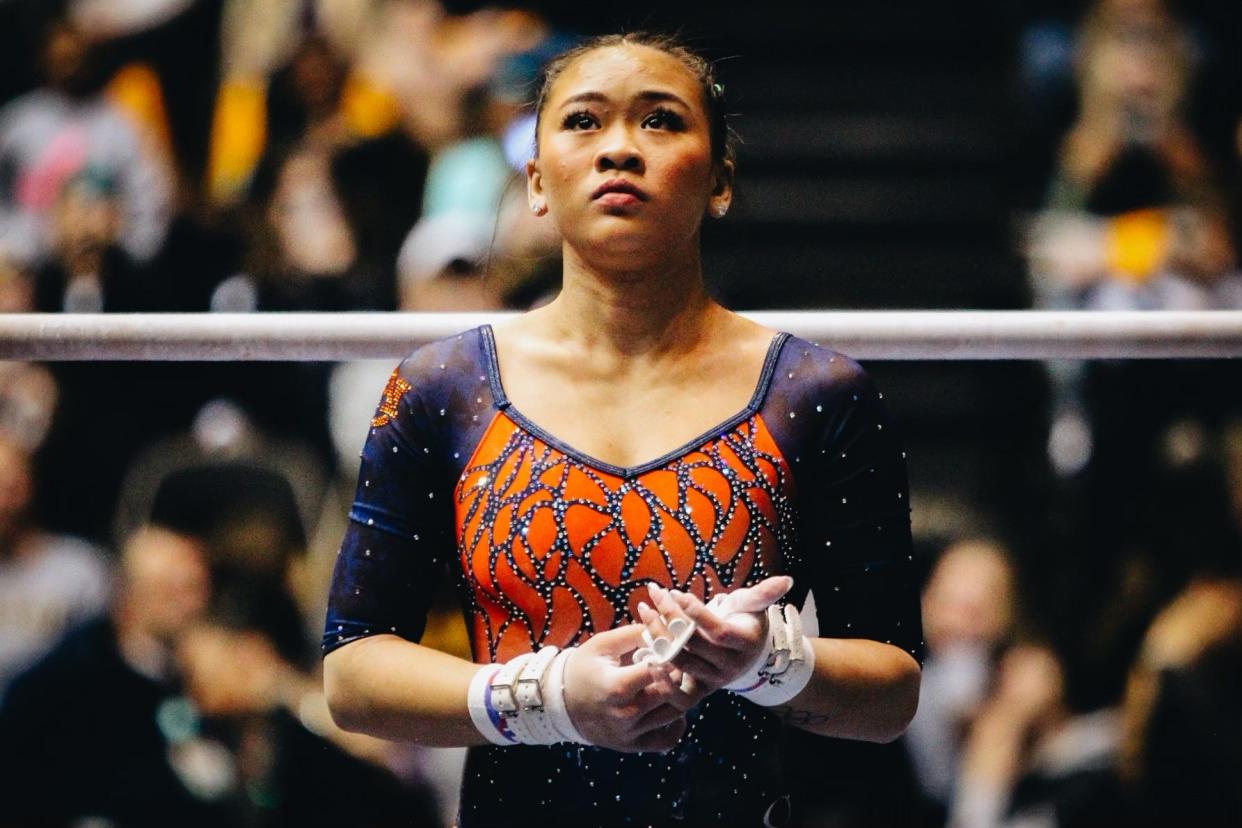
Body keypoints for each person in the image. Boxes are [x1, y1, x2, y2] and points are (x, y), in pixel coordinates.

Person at [322, 32, 923, 827]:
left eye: (661, 121)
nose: (618, 150)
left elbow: (892, 691)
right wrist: (543, 698)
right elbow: (352, 673)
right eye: (582, 122)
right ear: (536, 182)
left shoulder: (817, 393)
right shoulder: (444, 388)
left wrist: (770, 664)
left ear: (720, 181)